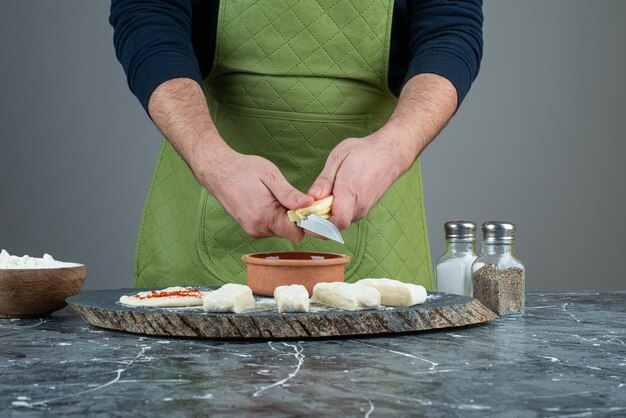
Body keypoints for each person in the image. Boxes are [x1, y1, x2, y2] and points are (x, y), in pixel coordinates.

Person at [109, 0, 483, 289]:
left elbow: (450, 29)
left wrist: (395, 145)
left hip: (376, 218)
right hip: (206, 186)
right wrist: (214, 161)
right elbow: (147, 16)